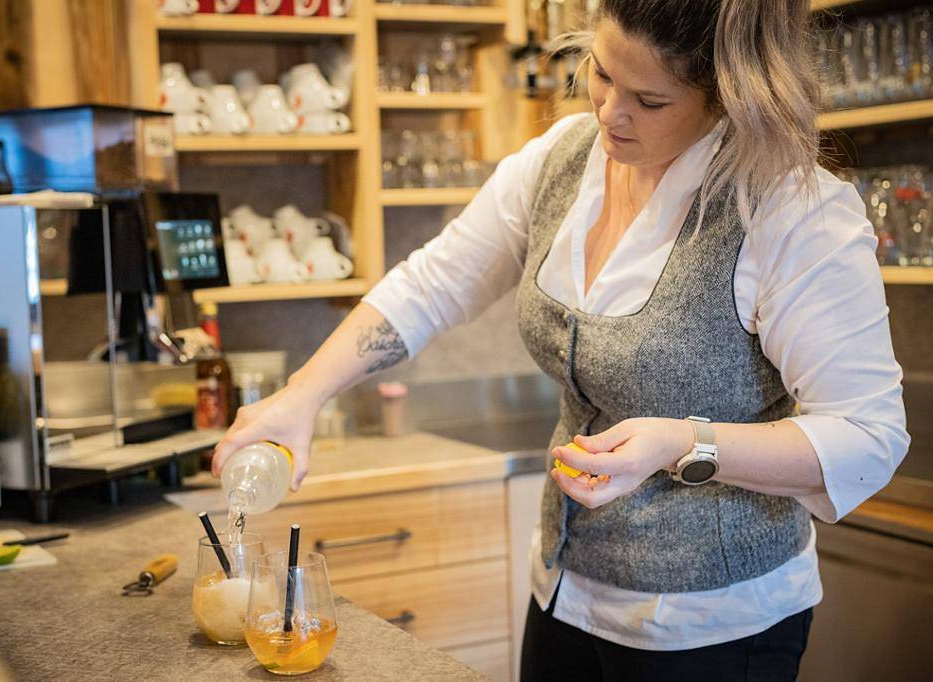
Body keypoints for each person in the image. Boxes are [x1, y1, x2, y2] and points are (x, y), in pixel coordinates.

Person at [212, 0, 909, 679]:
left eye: (650, 99)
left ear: (728, 98)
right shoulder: (560, 161)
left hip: (712, 622)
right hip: (564, 591)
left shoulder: (791, 211)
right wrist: (300, 397)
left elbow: (866, 437)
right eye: (601, 73)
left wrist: (681, 443)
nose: (609, 111)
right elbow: (431, 285)